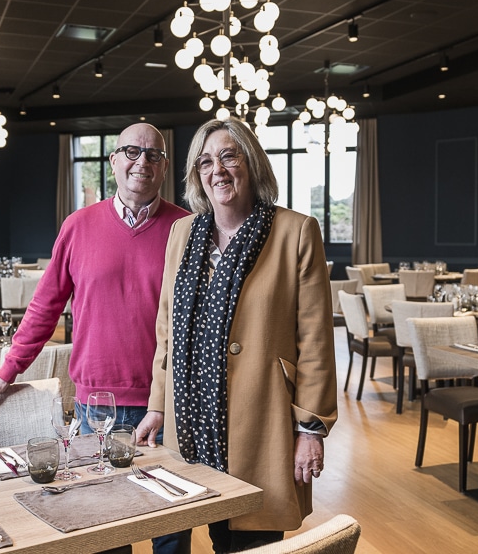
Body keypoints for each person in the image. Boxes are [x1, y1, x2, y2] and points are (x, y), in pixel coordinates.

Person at [0, 122, 191, 554]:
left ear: (165, 167)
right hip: (98, 403)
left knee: (170, 522)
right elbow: (44, 307)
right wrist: (6, 369)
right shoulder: (78, 226)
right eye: (131, 152)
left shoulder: (185, 228)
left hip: (164, 402)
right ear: (113, 162)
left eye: (153, 155)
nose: (141, 162)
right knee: (105, 520)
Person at [136, 118, 338, 553]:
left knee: (247, 542)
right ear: (196, 175)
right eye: (206, 162)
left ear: (252, 162)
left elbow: (317, 341)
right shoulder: (182, 233)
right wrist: (157, 406)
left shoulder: (295, 231)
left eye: (229, 155)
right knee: (172, 536)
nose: (218, 170)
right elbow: (165, 330)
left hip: (260, 419)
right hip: (188, 421)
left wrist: (311, 430)